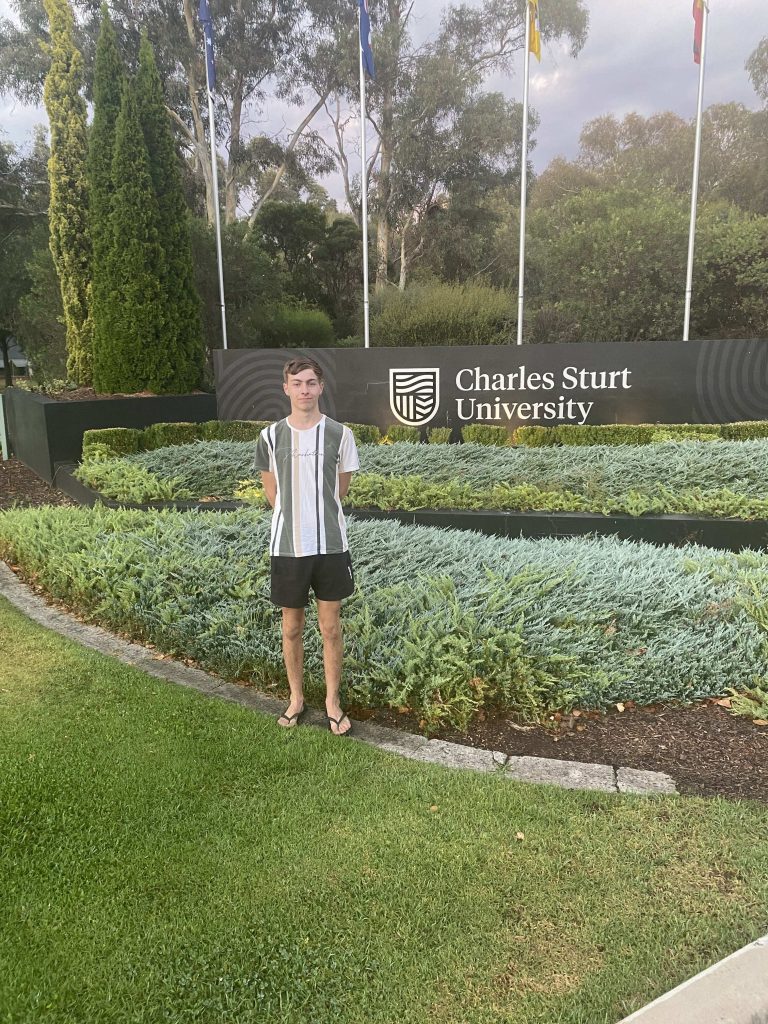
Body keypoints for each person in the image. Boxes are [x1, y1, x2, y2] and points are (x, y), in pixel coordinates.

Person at [253, 357, 359, 736]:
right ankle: (296, 698)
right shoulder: (269, 437)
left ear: (321, 387)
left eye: (310, 382)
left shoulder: (340, 434)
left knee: (330, 628)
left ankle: (332, 701)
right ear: (286, 389)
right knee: (292, 628)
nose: (304, 390)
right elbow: (272, 493)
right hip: (287, 546)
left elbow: (341, 489)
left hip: (330, 544)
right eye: (296, 383)